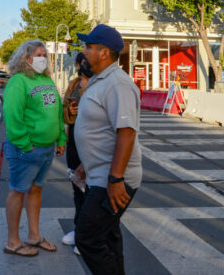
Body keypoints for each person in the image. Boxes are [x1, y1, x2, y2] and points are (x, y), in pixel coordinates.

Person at [73, 24, 142, 275]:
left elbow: (126, 132)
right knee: (108, 237)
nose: (85, 52)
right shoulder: (101, 81)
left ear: (104, 53)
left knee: (87, 238)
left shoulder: (118, 84)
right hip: (100, 174)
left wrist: (116, 179)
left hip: (111, 180)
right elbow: (100, 130)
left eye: (89, 47)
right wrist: (86, 163)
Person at [2, 40, 66, 257]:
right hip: (26, 149)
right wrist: (26, 145)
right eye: (39, 55)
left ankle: (34, 236)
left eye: (44, 55)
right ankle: (13, 241)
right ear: (26, 58)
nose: (43, 59)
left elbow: (57, 112)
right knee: (17, 191)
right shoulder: (18, 82)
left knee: (35, 190)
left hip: (47, 148)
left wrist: (61, 138)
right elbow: (13, 118)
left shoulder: (46, 79)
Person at [60, 52, 93, 255]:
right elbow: (64, 111)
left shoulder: (101, 84)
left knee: (92, 189)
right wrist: (70, 112)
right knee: (77, 187)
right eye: (82, 62)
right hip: (74, 141)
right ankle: (79, 229)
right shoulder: (73, 84)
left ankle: (87, 235)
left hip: (92, 143)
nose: (86, 65)